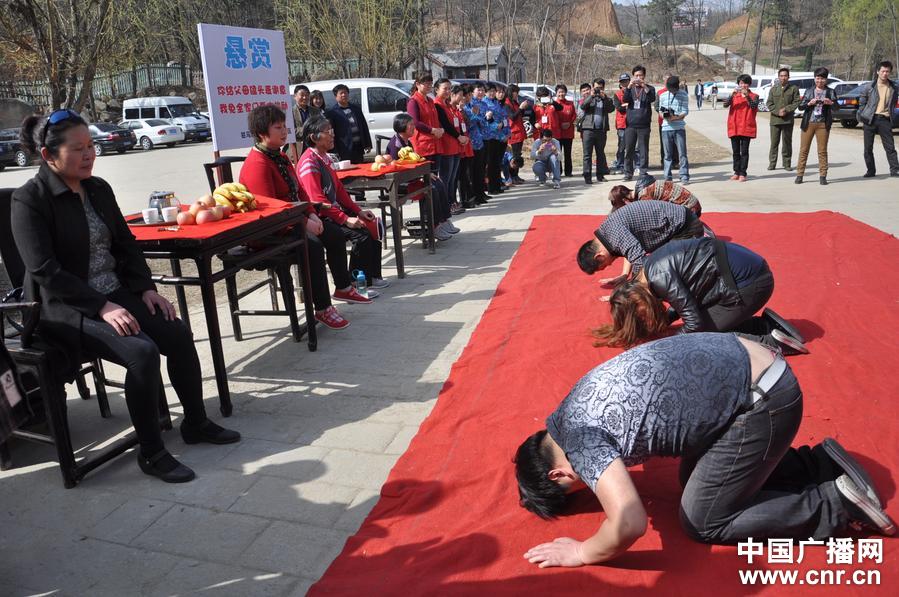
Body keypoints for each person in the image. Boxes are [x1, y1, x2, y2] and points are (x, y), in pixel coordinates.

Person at [516, 332, 894, 569]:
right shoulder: (568, 410)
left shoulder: (580, 445)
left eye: (578, 489)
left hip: (765, 399)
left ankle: (833, 504)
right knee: (695, 483)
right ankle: (817, 465)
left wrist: (583, 553)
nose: (593, 487)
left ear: (559, 474)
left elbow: (628, 523)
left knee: (703, 519)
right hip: (744, 357)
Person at [11, 110, 240, 483]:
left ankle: (195, 423)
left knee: (177, 333)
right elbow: (44, 271)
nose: (89, 155)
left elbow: (125, 243)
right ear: (48, 156)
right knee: (142, 352)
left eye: (91, 146)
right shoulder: (29, 200)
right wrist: (101, 306)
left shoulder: (97, 189)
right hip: (65, 308)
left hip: (114, 293)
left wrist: (146, 289)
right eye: (78, 149)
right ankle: (151, 452)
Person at [238, 105, 353, 329]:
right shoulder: (257, 164)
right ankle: (322, 308)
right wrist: (304, 223)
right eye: (278, 127)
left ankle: (343, 286)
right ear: (262, 132)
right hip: (271, 230)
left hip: (293, 221)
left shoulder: (279, 156)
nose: (284, 132)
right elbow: (271, 210)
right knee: (313, 246)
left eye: (284, 126)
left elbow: (299, 191)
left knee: (334, 233)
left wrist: (312, 214)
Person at [593, 237, 807, 354]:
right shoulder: (648, 270)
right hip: (748, 272)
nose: (643, 316)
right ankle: (767, 326)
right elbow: (684, 297)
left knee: (706, 336)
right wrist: (668, 319)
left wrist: (667, 340)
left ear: (636, 299)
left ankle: (774, 343)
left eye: (638, 314)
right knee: (710, 322)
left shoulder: (659, 278)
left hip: (751, 284)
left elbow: (694, 323)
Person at [297, 116, 388, 291]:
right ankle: (356, 282)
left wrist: (357, 211)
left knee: (373, 224)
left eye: (332, 130)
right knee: (360, 234)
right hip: (319, 217)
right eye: (327, 132)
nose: (332, 135)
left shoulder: (325, 158)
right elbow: (318, 201)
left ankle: (372, 275)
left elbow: (339, 190)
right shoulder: (309, 162)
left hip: (331, 212)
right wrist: (346, 219)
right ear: (313, 137)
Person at [576, 200, 703, 287]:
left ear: (599, 256)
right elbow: (630, 250)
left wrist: (628, 293)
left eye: (604, 265)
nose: (610, 264)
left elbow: (640, 261)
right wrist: (625, 275)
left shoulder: (615, 234)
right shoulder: (607, 231)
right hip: (676, 227)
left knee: (669, 275)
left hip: (686, 228)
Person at [386, 113, 457, 240]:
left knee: (439, 183)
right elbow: (399, 169)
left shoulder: (408, 142)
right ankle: (434, 226)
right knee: (432, 189)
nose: (414, 127)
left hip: (412, 178)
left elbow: (415, 162)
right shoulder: (395, 145)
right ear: (402, 126)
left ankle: (444, 220)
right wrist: (421, 176)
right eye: (411, 125)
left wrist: (427, 173)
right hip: (402, 183)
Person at [796, 67, 837, 185]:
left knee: (822, 151)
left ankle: (823, 176)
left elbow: (836, 108)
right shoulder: (809, 90)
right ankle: (800, 175)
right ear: (814, 79)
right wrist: (809, 103)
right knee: (804, 150)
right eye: (818, 78)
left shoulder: (830, 91)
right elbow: (800, 107)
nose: (820, 81)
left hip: (823, 124)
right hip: (808, 123)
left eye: (823, 79)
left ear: (826, 79)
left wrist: (831, 103)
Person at [858, 60, 899, 178]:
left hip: (885, 119)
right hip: (870, 119)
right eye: (883, 71)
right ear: (877, 72)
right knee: (868, 148)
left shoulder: (894, 87)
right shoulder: (869, 86)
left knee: (890, 147)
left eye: (887, 71)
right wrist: (861, 115)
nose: (885, 73)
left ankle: (895, 170)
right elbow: (862, 103)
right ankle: (871, 171)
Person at [434, 78, 466, 214]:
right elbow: (446, 125)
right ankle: (447, 205)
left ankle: (452, 202)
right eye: (444, 88)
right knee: (446, 179)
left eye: (449, 88)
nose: (447, 91)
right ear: (437, 90)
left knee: (452, 178)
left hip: (455, 145)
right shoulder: (437, 104)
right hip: (447, 146)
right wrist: (459, 137)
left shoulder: (447, 105)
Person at [621, 65, 656, 182]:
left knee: (643, 150)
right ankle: (628, 173)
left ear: (644, 76)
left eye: (640, 75)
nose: (638, 77)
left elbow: (652, 98)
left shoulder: (649, 88)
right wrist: (629, 86)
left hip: (644, 125)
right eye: (636, 75)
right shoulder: (630, 89)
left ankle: (643, 172)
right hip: (631, 125)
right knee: (629, 150)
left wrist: (644, 86)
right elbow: (625, 100)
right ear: (633, 76)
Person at [407, 72, 445, 175]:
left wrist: (441, 129)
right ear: (418, 84)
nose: (429, 86)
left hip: (435, 143)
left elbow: (436, 119)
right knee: (426, 178)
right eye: (426, 83)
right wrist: (432, 130)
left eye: (430, 83)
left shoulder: (430, 101)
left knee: (435, 175)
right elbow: (415, 122)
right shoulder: (413, 101)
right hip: (423, 145)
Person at [723, 74, 759, 181]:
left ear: (749, 84)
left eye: (745, 83)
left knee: (744, 151)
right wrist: (731, 95)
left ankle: (743, 173)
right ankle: (736, 171)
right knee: (735, 151)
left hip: (746, 127)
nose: (743, 85)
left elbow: (753, 106)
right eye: (741, 83)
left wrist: (747, 96)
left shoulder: (754, 96)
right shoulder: (735, 95)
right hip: (734, 126)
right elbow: (725, 105)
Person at [323, 84, 371, 164]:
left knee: (360, 170)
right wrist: (333, 150)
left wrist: (367, 144)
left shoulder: (356, 109)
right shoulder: (332, 112)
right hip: (344, 149)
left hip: (358, 147)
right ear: (336, 96)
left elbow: (364, 126)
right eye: (341, 93)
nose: (344, 95)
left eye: (345, 93)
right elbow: (331, 132)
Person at [608, 176, 702, 216]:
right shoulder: (641, 188)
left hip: (691, 209)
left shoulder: (644, 197)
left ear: (625, 201)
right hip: (694, 204)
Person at [578, 79, 613, 184]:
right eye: (597, 87)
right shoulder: (589, 98)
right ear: (592, 87)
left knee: (600, 154)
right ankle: (587, 176)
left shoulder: (605, 98)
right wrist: (591, 96)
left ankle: (600, 175)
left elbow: (611, 109)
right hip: (588, 129)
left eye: (601, 88)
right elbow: (583, 106)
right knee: (587, 154)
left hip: (601, 130)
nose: (599, 90)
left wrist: (604, 97)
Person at [765, 68, 801, 171]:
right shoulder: (773, 89)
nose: (783, 78)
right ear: (778, 77)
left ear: (788, 77)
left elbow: (796, 101)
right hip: (775, 121)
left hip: (787, 120)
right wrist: (777, 111)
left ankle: (787, 164)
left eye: (785, 75)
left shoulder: (793, 88)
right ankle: (772, 163)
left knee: (787, 143)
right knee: (774, 143)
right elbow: (769, 103)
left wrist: (786, 109)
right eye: (781, 76)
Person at [657, 75, 690, 183]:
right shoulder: (663, 95)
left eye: (674, 89)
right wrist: (664, 116)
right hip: (666, 128)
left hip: (679, 127)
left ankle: (684, 176)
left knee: (682, 153)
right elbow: (660, 111)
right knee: (667, 155)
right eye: (670, 89)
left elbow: (685, 111)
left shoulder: (684, 95)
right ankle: (667, 177)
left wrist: (675, 118)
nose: (672, 92)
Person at [464, 82, 489, 204]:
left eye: (469, 94)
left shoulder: (474, 105)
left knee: (480, 170)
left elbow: (483, 122)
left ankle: (480, 193)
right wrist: (477, 116)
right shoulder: (467, 107)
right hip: (470, 143)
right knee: (472, 171)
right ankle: (474, 195)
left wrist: (479, 117)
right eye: (467, 94)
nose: (468, 97)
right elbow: (472, 121)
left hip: (479, 140)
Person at [483, 83, 509, 194]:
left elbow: (503, 118)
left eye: (494, 91)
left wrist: (505, 129)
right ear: (485, 92)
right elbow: (486, 119)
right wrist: (496, 126)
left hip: (498, 136)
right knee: (490, 163)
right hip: (488, 136)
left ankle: (497, 185)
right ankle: (490, 187)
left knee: (497, 162)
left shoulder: (496, 103)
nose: (492, 93)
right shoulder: (484, 103)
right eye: (490, 91)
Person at [505, 84, 529, 184]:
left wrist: (522, 108)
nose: (517, 95)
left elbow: (520, 115)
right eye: (516, 92)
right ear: (511, 92)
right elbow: (512, 117)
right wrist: (520, 108)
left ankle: (516, 175)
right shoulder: (507, 103)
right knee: (514, 156)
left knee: (518, 155)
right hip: (513, 133)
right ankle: (512, 176)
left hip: (519, 132)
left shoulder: (514, 102)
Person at [553, 84, 577, 177]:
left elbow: (574, 115)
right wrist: (560, 124)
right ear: (556, 93)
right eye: (559, 92)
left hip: (568, 132)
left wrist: (569, 123)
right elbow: (552, 116)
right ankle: (558, 171)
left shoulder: (570, 103)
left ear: (566, 92)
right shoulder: (554, 104)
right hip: (557, 132)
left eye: (563, 92)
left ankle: (568, 171)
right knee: (558, 153)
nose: (561, 94)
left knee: (568, 153)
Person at [291, 84, 322, 151]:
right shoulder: (290, 112)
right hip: (298, 149)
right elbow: (291, 130)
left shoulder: (316, 111)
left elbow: (320, 127)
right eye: (302, 95)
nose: (305, 97)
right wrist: (309, 130)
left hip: (314, 147)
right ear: (295, 96)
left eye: (307, 95)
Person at [611, 73, 631, 173]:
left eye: (626, 81)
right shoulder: (617, 94)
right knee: (622, 146)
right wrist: (627, 105)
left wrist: (626, 105)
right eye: (622, 82)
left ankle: (635, 165)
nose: (624, 83)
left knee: (634, 146)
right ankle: (620, 165)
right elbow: (619, 108)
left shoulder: (633, 92)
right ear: (620, 83)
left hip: (632, 123)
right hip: (621, 124)